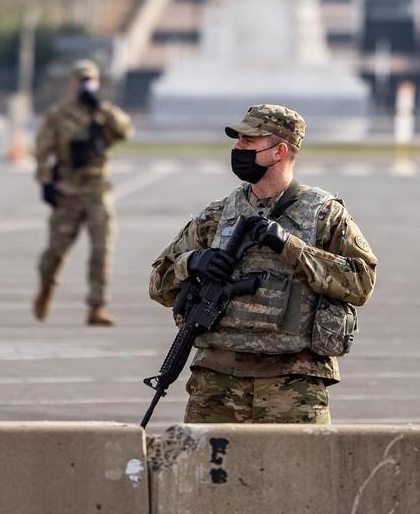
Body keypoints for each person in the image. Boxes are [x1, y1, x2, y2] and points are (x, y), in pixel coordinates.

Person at [148, 104, 376, 424]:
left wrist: (289, 247)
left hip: (293, 383)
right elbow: (159, 284)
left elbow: (361, 282)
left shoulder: (324, 215)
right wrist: (193, 262)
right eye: (237, 140)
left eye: (248, 142)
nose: (237, 148)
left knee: (294, 472)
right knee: (207, 471)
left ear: (279, 151)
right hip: (217, 379)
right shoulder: (218, 215)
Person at [33, 60, 133, 326]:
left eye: (90, 80)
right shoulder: (58, 116)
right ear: (72, 83)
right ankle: (46, 288)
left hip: (97, 189)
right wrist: (45, 183)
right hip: (68, 190)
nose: (86, 85)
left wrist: (101, 107)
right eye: (81, 80)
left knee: (102, 248)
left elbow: (125, 131)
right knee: (56, 250)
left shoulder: (103, 112)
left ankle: (96, 306)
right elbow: (42, 151)